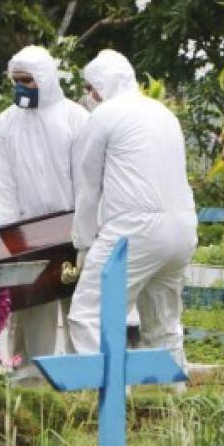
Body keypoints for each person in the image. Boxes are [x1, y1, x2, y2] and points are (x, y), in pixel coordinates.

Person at [68, 49, 197, 372]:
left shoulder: (105, 115)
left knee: (90, 314)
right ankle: (170, 403)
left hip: (135, 229)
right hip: (182, 228)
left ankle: (109, 403)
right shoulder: (162, 112)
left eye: (89, 88)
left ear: (101, 85)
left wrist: (84, 243)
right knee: (164, 323)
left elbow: (87, 186)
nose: (88, 96)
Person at [0, 45, 89, 380]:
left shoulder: (76, 118)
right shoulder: (5, 124)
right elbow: (2, 185)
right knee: (32, 310)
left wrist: (83, 231)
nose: (21, 87)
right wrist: (12, 238)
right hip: (27, 234)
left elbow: (84, 179)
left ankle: (80, 380)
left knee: (79, 309)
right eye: (16, 81)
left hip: (73, 228)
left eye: (27, 80)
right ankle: (28, 380)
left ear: (44, 79)